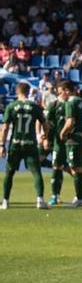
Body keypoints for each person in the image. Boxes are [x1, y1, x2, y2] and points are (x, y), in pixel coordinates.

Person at [2, 80, 45, 210]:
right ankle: (40, 201)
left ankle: (5, 201)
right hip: (30, 144)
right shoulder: (35, 106)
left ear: (17, 92)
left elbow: (5, 128)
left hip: (15, 144)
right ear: (28, 92)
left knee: (9, 173)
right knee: (36, 172)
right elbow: (45, 123)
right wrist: (44, 136)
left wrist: (1, 145)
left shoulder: (11, 106)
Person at [47, 79, 82, 207]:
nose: (60, 95)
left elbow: (70, 122)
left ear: (67, 91)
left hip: (73, 140)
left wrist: (63, 133)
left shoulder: (70, 103)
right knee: (79, 168)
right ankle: (80, 197)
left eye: (61, 92)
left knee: (75, 168)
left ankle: (79, 199)